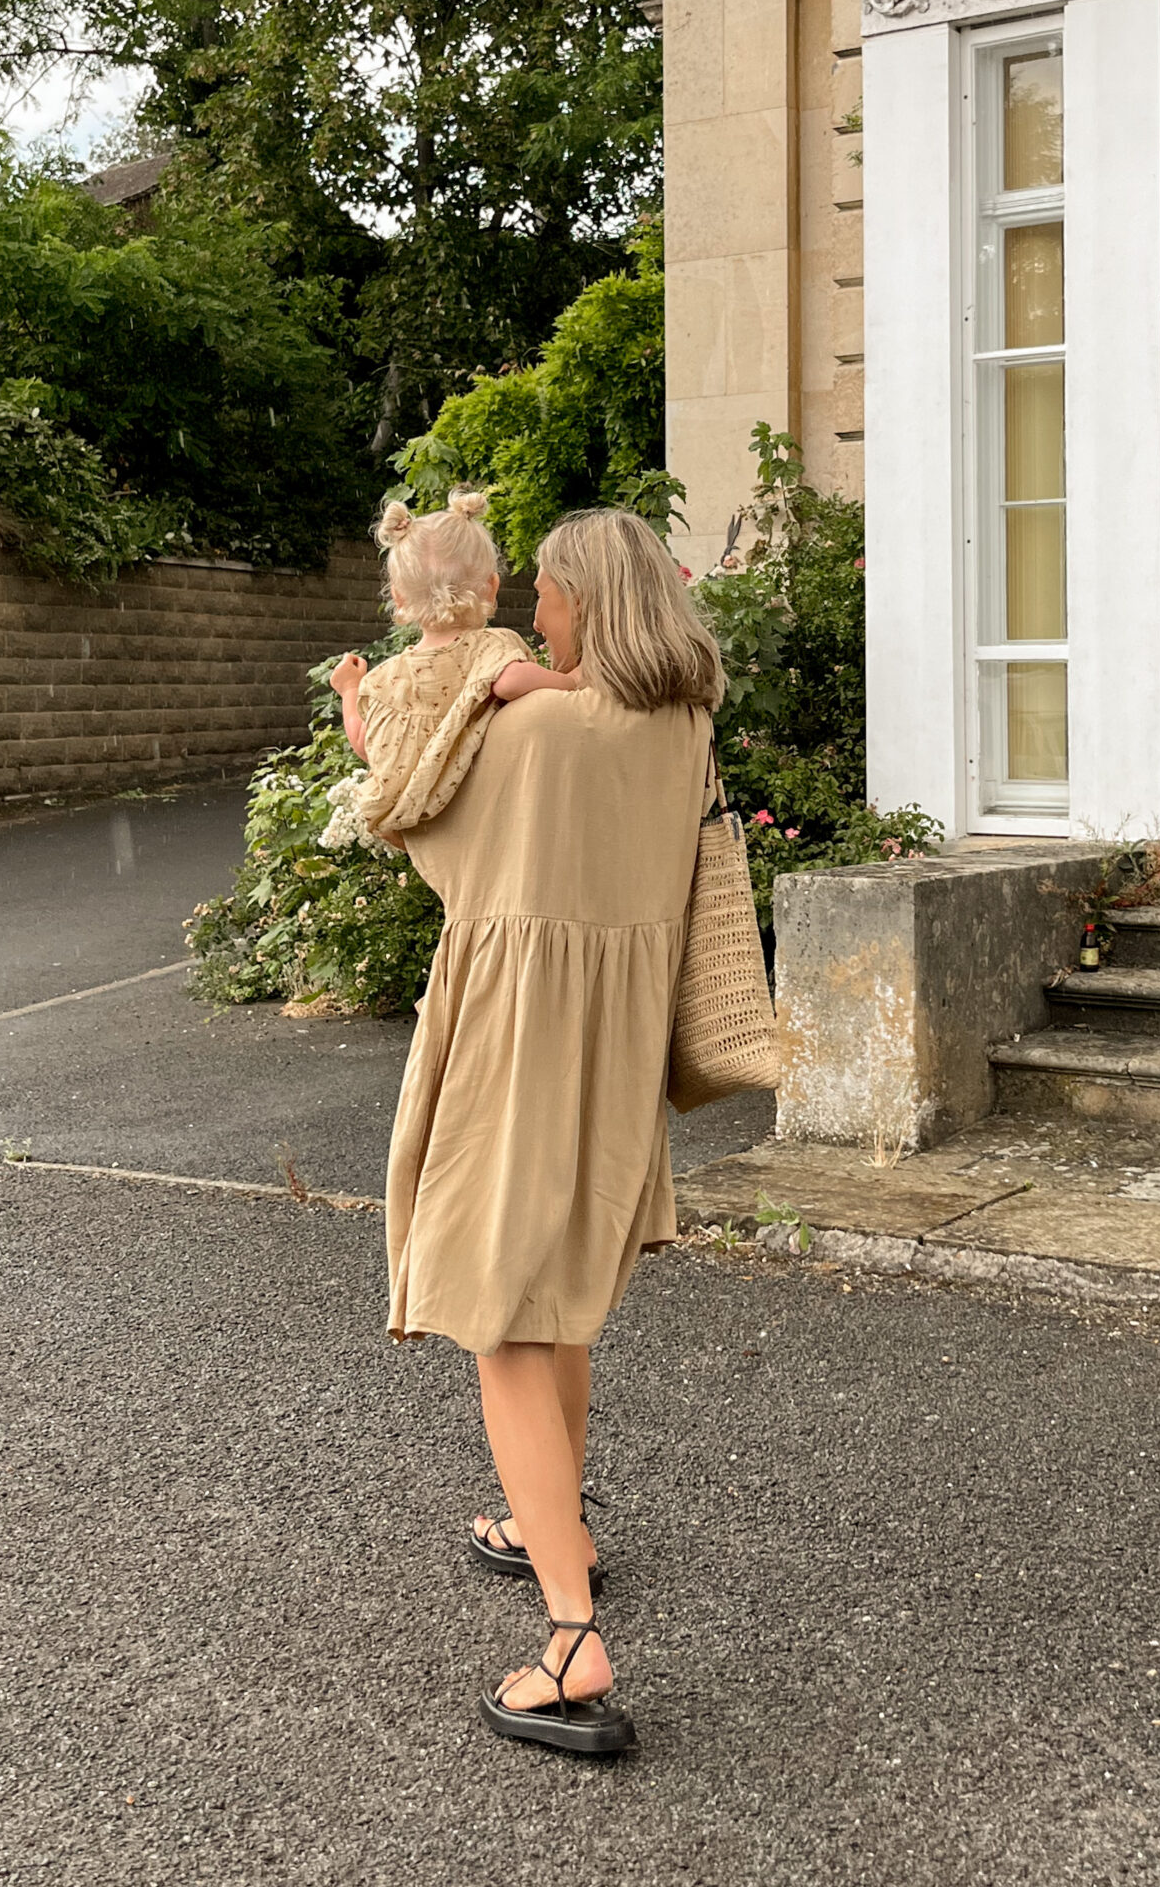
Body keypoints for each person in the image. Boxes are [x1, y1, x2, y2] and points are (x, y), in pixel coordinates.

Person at [384, 507, 725, 1754]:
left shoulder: (535, 729)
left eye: (549, 593)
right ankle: (546, 1519)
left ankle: (572, 1638)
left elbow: (435, 850)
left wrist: (376, 735)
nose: (537, 612)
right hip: (613, 1058)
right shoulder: (684, 725)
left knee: (501, 1313)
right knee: (562, 1292)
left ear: (588, 596)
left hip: (519, 1045)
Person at [328, 491, 579, 844]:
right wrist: (570, 681)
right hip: (471, 809)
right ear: (492, 587)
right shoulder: (491, 647)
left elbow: (365, 744)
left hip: (405, 820)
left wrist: (350, 689)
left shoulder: (385, 678)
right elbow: (510, 682)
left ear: (398, 597)